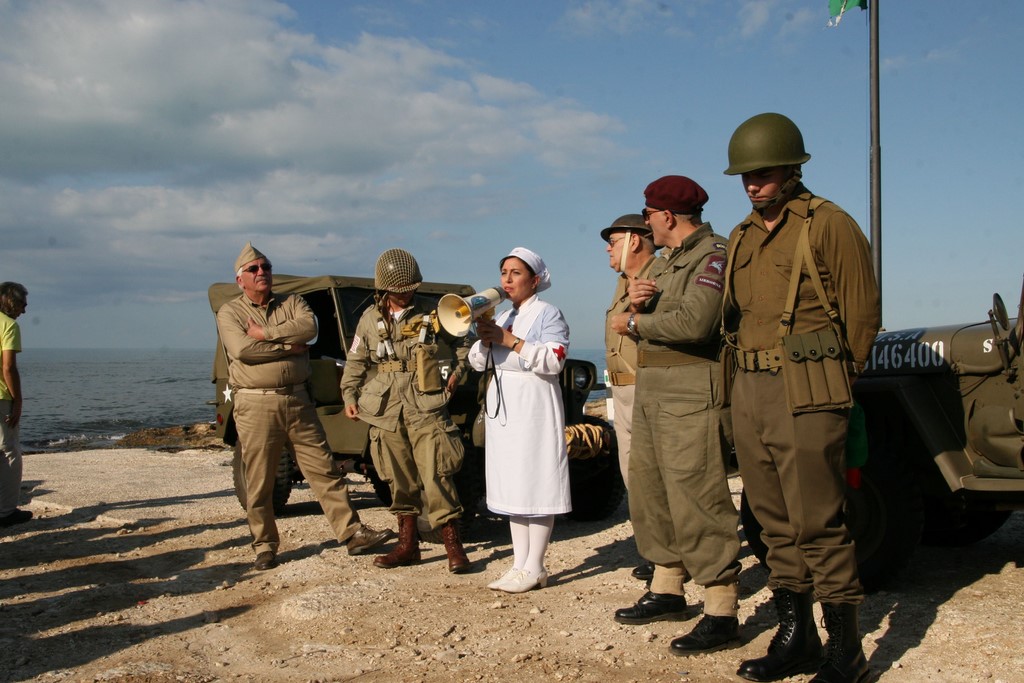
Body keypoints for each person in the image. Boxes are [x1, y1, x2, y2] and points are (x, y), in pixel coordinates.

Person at [722, 113, 881, 683]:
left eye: (763, 173)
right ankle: (798, 639)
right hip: (750, 389)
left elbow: (862, 315)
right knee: (772, 525)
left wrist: (837, 382)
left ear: (792, 170)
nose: (753, 183)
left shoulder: (829, 224)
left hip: (808, 388)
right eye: (746, 175)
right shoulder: (740, 235)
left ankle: (847, 652)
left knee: (818, 522)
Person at [609, 176, 742, 656]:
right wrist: (640, 302)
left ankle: (722, 609)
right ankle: (667, 587)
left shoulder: (713, 255)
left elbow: (696, 322)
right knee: (652, 491)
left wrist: (635, 320)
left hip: (691, 390)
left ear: (667, 216)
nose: (646, 223)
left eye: (649, 214)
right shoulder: (667, 261)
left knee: (697, 495)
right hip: (655, 386)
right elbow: (661, 314)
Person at [216, 242, 392, 570]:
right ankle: (264, 545)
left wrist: (265, 333)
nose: (261, 272)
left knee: (324, 469)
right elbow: (242, 351)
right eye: (253, 269)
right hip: (256, 402)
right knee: (259, 479)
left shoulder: (293, 302)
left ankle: (352, 533)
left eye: (266, 267)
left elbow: (309, 328)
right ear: (240, 280)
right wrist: (289, 347)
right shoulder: (231, 312)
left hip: (298, 399)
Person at [340, 248, 472, 574]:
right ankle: (407, 546)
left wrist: (457, 374)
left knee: (437, 474)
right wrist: (349, 394)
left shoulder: (433, 312)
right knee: (398, 478)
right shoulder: (369, 319)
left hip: (425, 403)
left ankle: (454, 546)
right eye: (399, 290)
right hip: (386, 407)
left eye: (410, 288)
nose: (405, 294)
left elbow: (464, 343)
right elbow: (356, 360)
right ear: (385, 288)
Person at [468, 247, 571, 593]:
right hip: (506, 405)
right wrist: (486, 340)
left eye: (516, 273)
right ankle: (519, 564)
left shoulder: (548, 313)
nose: (507, 280)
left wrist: (509, 341)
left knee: (536, 481)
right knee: (513, 483)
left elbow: (554, 360)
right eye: (504, 273)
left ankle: (536, 565)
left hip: (534, 402)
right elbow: (477, 363)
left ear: (535, 280)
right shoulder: (501, 316)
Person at [600, 214, 659, 582]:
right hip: (622, 390)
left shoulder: (657, 276)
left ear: (635, 241)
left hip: (646, 386)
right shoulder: (625, 282)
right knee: (633, 477)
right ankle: (654, 550)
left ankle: (668, 556)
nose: (609, 249)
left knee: (652, 477)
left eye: (614, 241)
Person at [0, 282, 31, 528]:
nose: (24, 310)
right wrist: (18, 400)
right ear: (10, 301)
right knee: (9, 451)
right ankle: (7, 511)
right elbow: (8, 367)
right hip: (2, 397)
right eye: (22, 304)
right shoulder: (8, 325)